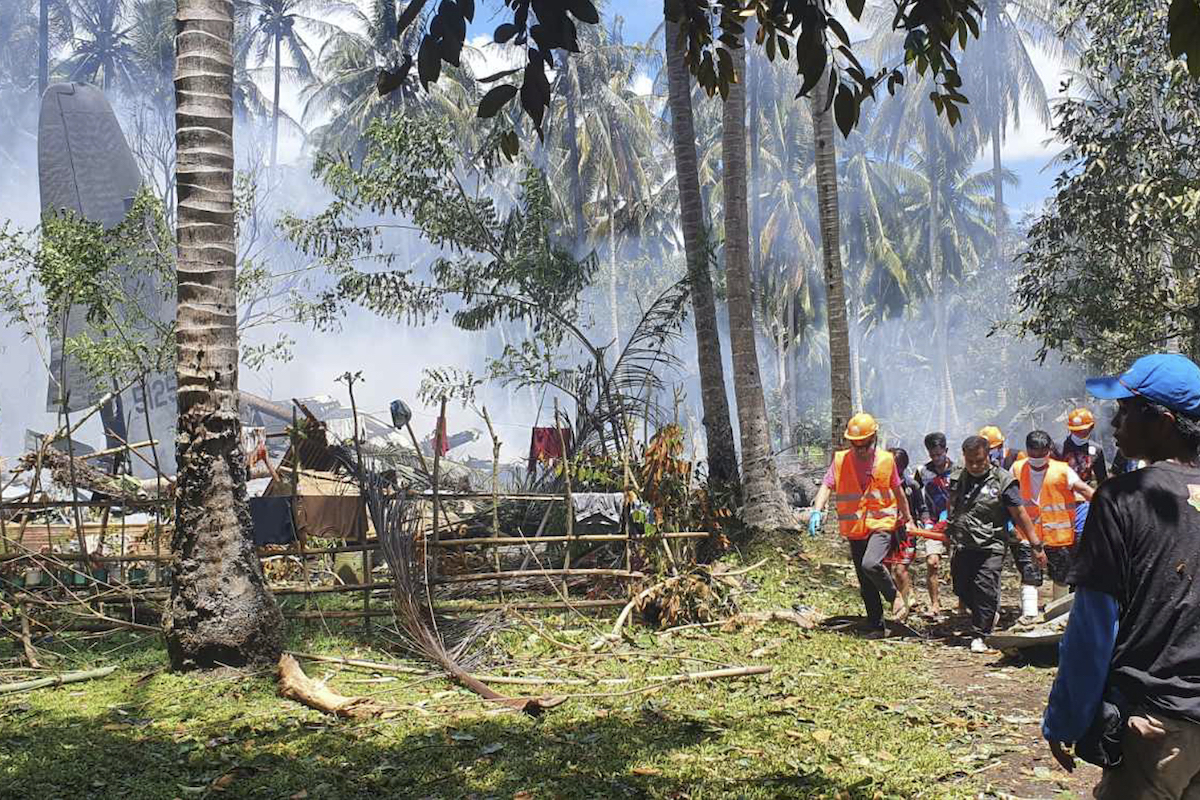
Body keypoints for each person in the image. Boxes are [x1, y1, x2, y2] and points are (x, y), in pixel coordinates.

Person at [1043, 353, 1200, 798]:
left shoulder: (1121, 499)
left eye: (1126, 410)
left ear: (1164, 421)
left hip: (1158, 723)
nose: (1114, 423)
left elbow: (1093, 626)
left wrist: (1066, 717)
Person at [808, 413, 913, 636]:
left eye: (864, 445)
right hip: (856, 529)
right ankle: (877, 626)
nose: (860, 450)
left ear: (873, 439)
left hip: (881, 523)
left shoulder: (886, 460)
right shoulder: (840, 460)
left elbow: (898, 491)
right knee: (865, 582)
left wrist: (908, 518)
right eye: (856, 445)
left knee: (870, 564)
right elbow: (827, 486)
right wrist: (817, 510)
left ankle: (894, 597)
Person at [945, 435, 1046, 653]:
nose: (974, 466)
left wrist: (1035, 544)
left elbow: (1019, 513)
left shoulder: (1003, 481)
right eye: (970, 461)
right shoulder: (956, 478)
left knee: (985, 587)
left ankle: (982, 633)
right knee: (961, 587)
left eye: (979, 461)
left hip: (991, 545)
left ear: (988, 455)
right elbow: (952, 505)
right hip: (963, 544)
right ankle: (988, 613)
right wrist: (948, 529)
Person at [1011, 431, 1095, 600]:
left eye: (1042, 453)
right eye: (1033, 453)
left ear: (1049, 450)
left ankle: (1057, 613)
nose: (1037, 458)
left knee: (1061, 577)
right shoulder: (1017, 468)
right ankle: (1029, 616)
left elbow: (1086, 491)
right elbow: (1006, 496)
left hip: (1058, 537)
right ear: (1027, 450)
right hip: (1026, 534)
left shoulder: (1062, 470)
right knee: (1030, 576)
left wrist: (1108, 506)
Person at [883, 447, 929, 613]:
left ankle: (907, 601)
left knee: (900, 569)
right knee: (885, 568)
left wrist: (926, 523)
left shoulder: (911, 485)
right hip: (886, 531)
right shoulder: (879, 484)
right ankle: (893, 600)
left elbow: (922, 508)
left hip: (906, 533)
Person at [916, 432, 954, 617]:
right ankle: (934, 604)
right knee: (932, 562)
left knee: (959, 564)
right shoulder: (923, 472)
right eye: (933, 455)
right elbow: (914, 494)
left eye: (940, 454)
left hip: (955, 524)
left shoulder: (958, 470)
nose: (937, 459)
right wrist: (923, 519)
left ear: (946, 450)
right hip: (932, 523)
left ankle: (962, 604)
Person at [1062, 407, 1108, 487]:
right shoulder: (1059, 446)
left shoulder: (1097, 450)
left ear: (1091, 427)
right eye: (1075, 430)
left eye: (1083, 430)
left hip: (1085, 493)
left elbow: (1102, 478)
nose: (1079, 433)